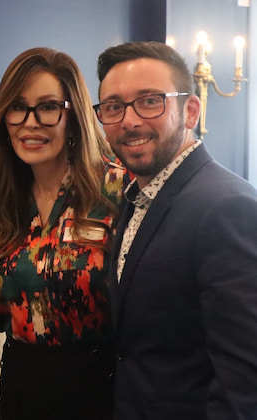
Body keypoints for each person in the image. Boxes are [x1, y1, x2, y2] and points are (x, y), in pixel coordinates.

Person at [95, 41, 257, 419]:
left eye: (150, 100)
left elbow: (245, 377)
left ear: (191, 111)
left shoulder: (227, 207)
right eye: (114, 107)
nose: (130, 120)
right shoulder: (135, 196)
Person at [0, 47, 126, 420]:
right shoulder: (1, 198)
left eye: (47, 107)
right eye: (17, 107)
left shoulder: (116, 188)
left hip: (99, 390)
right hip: (20, 385)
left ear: (72, 113)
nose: (30, 122)